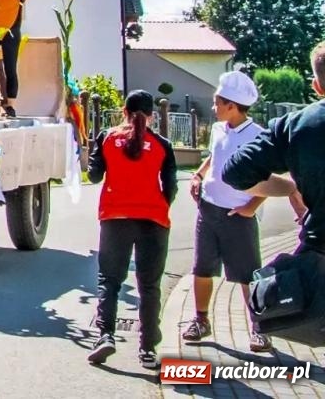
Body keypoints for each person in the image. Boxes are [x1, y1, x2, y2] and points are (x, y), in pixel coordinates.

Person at [183, 71, 295, 353]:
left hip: (238, 216)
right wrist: (197, 176)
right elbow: (213, 156)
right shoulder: (220, 129)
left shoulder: (257, 137)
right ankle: (201, 319)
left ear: (231, 105)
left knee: (247, 275)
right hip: (208, 210)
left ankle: (259, 328)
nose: (213, 107)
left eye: (217, 102)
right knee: (202, 268)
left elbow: (267, 179)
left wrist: (250, 207)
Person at [88, 89, 177, 369]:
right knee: (149, 286)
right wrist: (157, 204)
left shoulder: (107, 138)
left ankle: (105, 336)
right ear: (152, 116)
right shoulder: (162, 144)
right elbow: (171, 187)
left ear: (123, 111)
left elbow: (93, 175)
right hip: (154, 220)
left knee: (110, 281)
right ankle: (148, 349)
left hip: (115, 217)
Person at [223, 42, 325, 256]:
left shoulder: (294, 127)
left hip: (319, 259)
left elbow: (235, 173)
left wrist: (289, 188)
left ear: (317, 87)